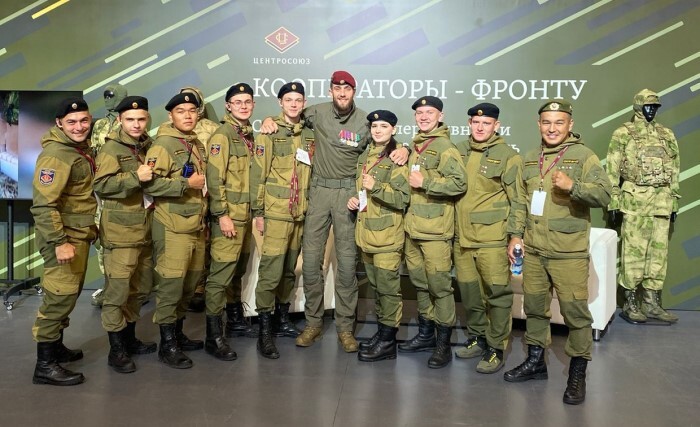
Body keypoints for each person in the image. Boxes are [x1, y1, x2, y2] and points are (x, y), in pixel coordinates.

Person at [260, 71, 408, 353]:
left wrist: (405, 149)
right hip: (318, 192)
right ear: (330, 91)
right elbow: (289, 116)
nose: (342, 93)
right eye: (337, 89)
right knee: (311, 263)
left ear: (354, 91)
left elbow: (384, 141)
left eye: (347, 89)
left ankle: (345, 329)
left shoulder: (365, 121)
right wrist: (269, 119)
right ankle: (313, 323)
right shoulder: (315, 113)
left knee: (347, 266)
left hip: (347, 194)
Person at [503, 100, 612, 405]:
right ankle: (536, 362)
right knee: (535, 309)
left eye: (559, 122)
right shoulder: (528, 159)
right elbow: (520, 203)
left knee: (575, 314)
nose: (552, 128)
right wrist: (515, 236)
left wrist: (573, 185)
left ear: (570, 124)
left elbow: (605, 195)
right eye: (547, 122)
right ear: (539, 124)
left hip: (568, 253)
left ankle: (578, 373)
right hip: (534, 251)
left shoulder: (584, 156)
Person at [31, 97, 97, 386]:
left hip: (77, 236)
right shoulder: (57, 155)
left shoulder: (76, 149)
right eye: (71, 122)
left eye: (83, 120)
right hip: (64, 238)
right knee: (58, 297)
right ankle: (45, 365)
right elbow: (44, 205)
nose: (79, 126)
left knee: (68, 294)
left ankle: (56, 348)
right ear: (59, 123)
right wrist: (60, 241)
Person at [453, 103, 523, 374]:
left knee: (498, 296)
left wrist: (515, 236)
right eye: (476, 122)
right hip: (462, 239)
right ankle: (478, 337)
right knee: (471, 295)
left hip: (491, 240)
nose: (480, 127)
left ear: (497, 125)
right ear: (469, 123)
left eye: (486, 123)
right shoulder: (458, 150)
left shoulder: (508, 156)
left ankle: (496, 347)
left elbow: (518, 201)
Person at [142, 92, 208, 369]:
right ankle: (167, 345)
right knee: (170, 287)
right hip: (172, 228)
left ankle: (178, 335)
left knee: (189, 286)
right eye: (181, 111)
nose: (188, 115)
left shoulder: (194, 143)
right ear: (170, 115)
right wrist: (185, 185)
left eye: (192, 110)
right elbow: (150, 184)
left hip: (195, 225)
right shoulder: (163, 146)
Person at [400, 96, 466, 369]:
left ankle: (443, 344)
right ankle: (426, 335)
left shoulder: (445, 147)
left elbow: (459, 183)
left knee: (440, 287)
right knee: (421, 285)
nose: (424, 117)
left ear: (441, 116)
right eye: (420, 113)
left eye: (430, 112)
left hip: (436, 232)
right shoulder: (416, 145)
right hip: (414, 229)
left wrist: (426, 182)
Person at [93, 96, 157, 374]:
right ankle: (116, 348)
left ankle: (129, 339)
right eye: (130, 119)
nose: (136, 124)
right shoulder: (112, 149)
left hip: (145, 229)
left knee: (139, 289)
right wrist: (135, 178)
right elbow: (101, 185)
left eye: (141, 119)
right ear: (119, 120)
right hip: (120, 233)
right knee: (117, 293)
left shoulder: (148, 145)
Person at [250, 82, 314, 359]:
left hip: (300, 213)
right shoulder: (269, 133)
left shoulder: (309, 134)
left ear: (304, 103)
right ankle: (265, 331)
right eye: (289, 100)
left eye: (298, 99)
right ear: (280, 103)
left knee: (289, 269)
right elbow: (258, 174)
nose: (294, 104)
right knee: (271, 271)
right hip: (276, 212)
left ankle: (282, 319)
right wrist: (259, 212)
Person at [606, 89, 680, 324]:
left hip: (662, 201)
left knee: (658, 254)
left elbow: (674, 168)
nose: (651, 110)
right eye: (647, 106)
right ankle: (630, 302)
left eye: (655, 107)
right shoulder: (623, 133)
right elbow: (612, 168)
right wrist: (613, 200)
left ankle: (652, 302)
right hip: (635, 201)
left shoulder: (666, 134)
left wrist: (674, 199)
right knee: (633, 252)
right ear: (638, 107)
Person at [347, 110, 410, 362]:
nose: (378, 130)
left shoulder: (397, 157)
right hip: (366, 235)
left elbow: (402, 198)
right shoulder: (365, 155)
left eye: (384, 126)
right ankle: (383, 333)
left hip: (387, 238)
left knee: (388, 291)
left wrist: (377, 187)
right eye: (374, 126)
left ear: (393, 130)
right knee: (377, 289)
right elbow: (363, 192)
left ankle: (388, 342)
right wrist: (355, 199)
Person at [204, 83, 259, 361]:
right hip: (229, 217)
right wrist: (221, 215)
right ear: (228, 106)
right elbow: (214, 178)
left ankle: (235, 321)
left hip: (245, 216)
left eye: (247, 102)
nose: (243, 106)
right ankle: (213, 336)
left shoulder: (248, 135)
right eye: (238, 102)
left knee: (237, 271)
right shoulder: (222, 135)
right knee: (220, 276)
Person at [179, 86, 220, 313]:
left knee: (206, 240)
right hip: (181, 195)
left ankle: (200, 287)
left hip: (206, 192)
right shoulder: (168, 130)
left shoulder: (212, 129)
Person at [90, 83, 128, 308]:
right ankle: (108, 285)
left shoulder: (130, 121)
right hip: (101, 189)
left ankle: (125, 288)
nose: (107, 100)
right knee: (101, 240)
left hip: (124, 188)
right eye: (105, 96)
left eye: (111, 96)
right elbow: (93, 153)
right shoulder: (100, 125)